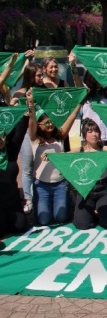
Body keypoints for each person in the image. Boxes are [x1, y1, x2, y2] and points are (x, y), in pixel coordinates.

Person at [27, 90, 80, 226]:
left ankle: (62, 203)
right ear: (39, 125)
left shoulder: (60, 137)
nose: (50, 125)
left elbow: (72, 117)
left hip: (60, 184)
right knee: (44, 220)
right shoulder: (35, 139)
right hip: (41, 186)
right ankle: (45, 203)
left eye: (51, 122)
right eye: (46, 123)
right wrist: (31, 106)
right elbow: (32, 121)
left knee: (61, 218)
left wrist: (80, 101)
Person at [72, 119, 107, 230]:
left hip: (103, 188)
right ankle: (91, 213)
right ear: (84, 135)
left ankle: (101, 211)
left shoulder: (105, 148)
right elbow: (63, 156)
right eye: (90, 131)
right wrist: (49, 155)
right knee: (82, 224)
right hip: (86, 189)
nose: (94, 134)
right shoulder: (80, 150)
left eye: (96, 131)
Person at [13, 61, 44, 215]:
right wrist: (16, 107)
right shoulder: (20, 93)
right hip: (25, 132)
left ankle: (41, 197)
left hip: (43, 132)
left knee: (41, 164)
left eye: (41, 75)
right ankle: (28, 198)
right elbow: (13, 113)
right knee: (28, 166)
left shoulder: (45, 90)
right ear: (30, 76)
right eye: (38, 75)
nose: (41, 78)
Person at [0, 113, 29, 238]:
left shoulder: (10, 151)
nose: (0, 140)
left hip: (12, 202)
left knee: (20, 226)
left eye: (2, 136)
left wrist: (25, 117)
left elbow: (20, 134)